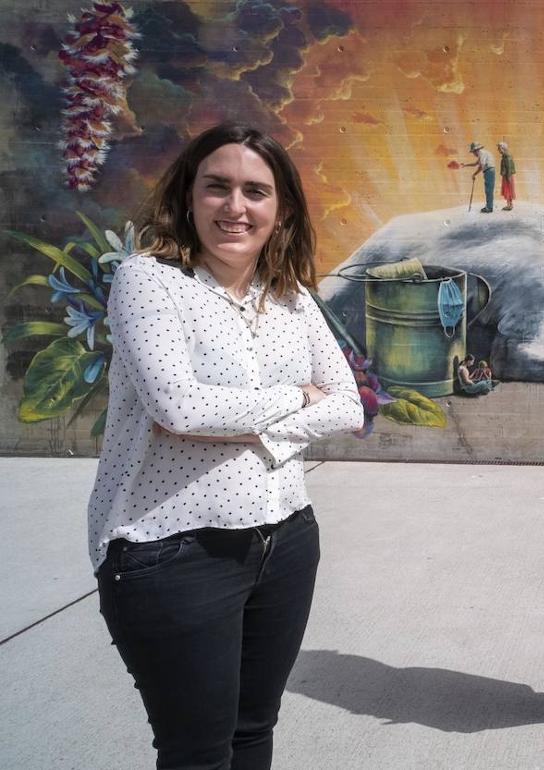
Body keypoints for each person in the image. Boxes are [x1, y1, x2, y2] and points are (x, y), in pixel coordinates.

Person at [87, 122, 364, 769]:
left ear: (282, 208)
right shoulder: (149, 282)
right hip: (172, 552)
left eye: (255, 191)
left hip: (286, 541)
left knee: (253, 730)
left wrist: (232, 419)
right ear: (189, 196)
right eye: (218, 187)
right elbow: (177, 407)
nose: (235, 207)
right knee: (199, 753)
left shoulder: (291, 298)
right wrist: (298, 398)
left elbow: (350, 407)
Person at [464, 141, 495, 213]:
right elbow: (475, 164)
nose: (473, 154)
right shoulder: (482, 154)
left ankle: (489, 208)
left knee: (489, 190)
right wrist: (465, 165)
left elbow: (481, 166)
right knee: (488, 190)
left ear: (476, 150)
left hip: (489, 171)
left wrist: (474, 174)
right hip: (488, 171)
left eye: (473, 152)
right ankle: (489, 206)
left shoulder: (482, 154)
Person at [497, 142, 516, 211]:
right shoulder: (506, 156)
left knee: (508, 190)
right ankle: (510, 204)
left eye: (499, 149)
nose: (498, 150)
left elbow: (508, 167)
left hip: (507, 176)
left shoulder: (507, 157)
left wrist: (508, 177)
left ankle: (509, 205)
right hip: (507, 175)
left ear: (503, 149)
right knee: (508, 190)